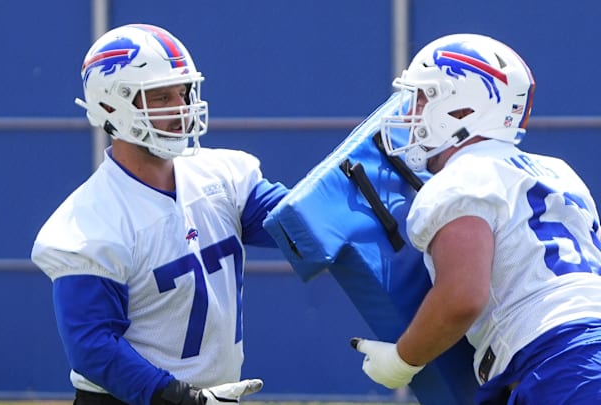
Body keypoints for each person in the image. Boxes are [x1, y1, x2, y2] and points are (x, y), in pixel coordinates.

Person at [31, 23, 288, 405]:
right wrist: (181, 398)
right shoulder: (89, 222)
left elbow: (299, 224)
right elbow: (93, 347)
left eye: (183, 93)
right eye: (161, 96)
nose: (181, 109)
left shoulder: (222, 176)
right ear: (109, 105)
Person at [350, 33, 601, 403]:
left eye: (422, 98)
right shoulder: (558, 172)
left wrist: (403, 360)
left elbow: (463, 295)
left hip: (563, 362)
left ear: (463, 109)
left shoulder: (462, 178)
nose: (410, 114)